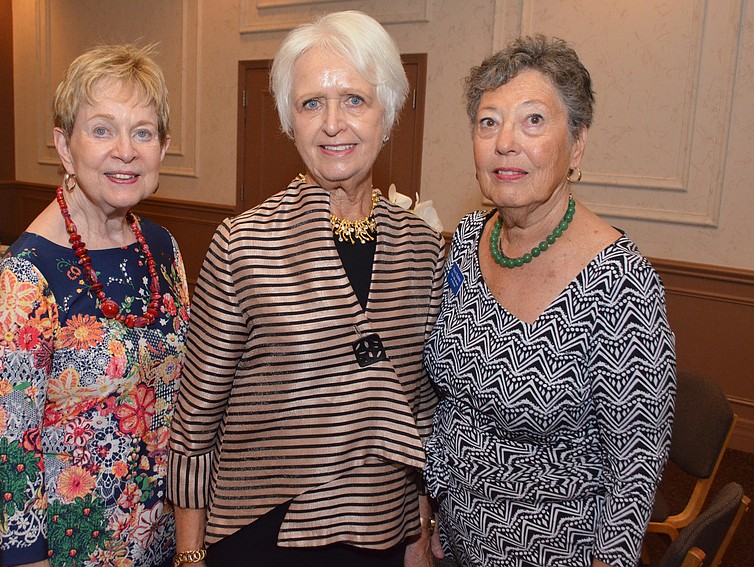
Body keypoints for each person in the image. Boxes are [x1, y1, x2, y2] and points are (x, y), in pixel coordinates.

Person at [167, 11, 444, 567]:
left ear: (387, 112)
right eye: (311, 103)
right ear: (289, 122)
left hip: (381, 526)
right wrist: (189, 553)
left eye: (355, 101)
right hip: (265, 530)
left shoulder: (423, 247)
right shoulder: (244, 243)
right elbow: (196, 417)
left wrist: (419, 537)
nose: (332, 124)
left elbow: (420, 407)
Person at [423, 35, 676, 567]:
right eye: (488, 121)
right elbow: (450, 400)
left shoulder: (620, 281)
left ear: (577, 144)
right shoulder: (468, 240)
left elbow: (635, 465)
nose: (505, 143)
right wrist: (431, 517)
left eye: (533, 120)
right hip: (454, 541)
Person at [0, 44, 190, 566]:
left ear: (163, 148)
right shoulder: (28, 277)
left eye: (143, 132)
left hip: (166, 537)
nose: (126, 150)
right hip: (75, 550)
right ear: (64, 146)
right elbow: (8, 458)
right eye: (101, 130)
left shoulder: (162, 247)